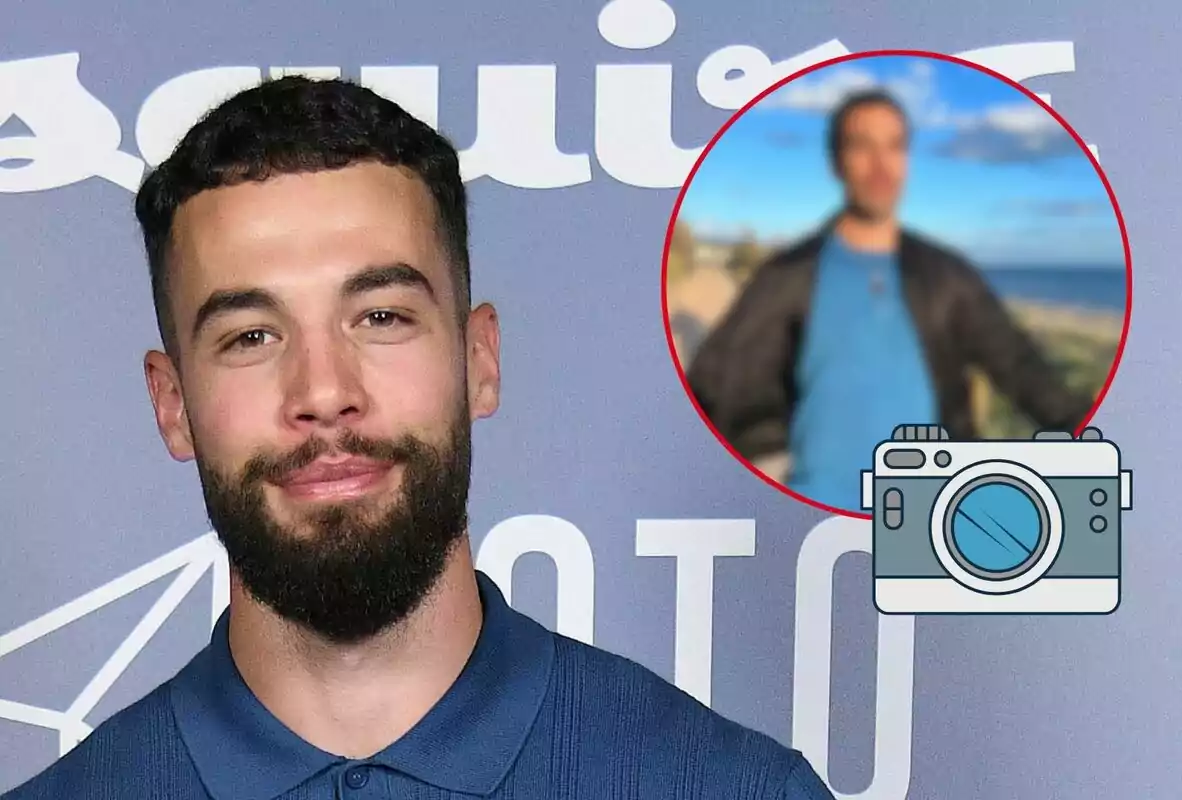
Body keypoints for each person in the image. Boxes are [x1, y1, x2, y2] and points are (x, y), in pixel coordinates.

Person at [2, 76, 834, 800]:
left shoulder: (730, 789)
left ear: (479, 361)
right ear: (173, 402)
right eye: (250, 335)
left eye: (381, 316)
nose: (324, 392)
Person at [686, 88, 1093, 511]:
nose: (881, 166)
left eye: (894, 146)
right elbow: (711, 383)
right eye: (863, 146)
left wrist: (1093, 433)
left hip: (936, 518)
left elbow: (1022, 369)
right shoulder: (788, 276)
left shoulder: (946, 276)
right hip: (809, 518)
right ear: (836, 161)